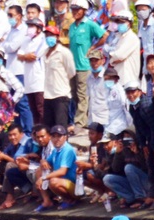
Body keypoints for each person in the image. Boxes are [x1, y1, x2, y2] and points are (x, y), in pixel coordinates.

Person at [68, 0, 107, 133]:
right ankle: (81, 119)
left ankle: (80, 123)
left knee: (82, 94)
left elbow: (104, 35)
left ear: (84, 10)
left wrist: (93, 48)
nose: (75, 12)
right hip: (73, 66)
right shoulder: (72, 26)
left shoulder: (89, 24)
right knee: (74, 95)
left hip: (84, 65)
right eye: (73, 9)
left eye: (77, 9)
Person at [0, 123, 33, 208]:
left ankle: (9, 197)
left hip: (30, 172)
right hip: (18, 172)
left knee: (9, 165)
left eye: (14, 135)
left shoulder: (27, 142)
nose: (12, 137)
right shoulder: (12, 144)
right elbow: (4, 153)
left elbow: (18, 161)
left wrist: (4, 157)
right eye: (10, 135)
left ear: (21, 134)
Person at [34, 124, 78, 211]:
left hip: (74, 186)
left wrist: (43, 178)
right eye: (54, 136)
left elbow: (63, 171)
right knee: (39, 170)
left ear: (65, 137)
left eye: (59, 136)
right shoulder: (56, 150)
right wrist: (43, 161)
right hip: (63, 182)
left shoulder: (68, 150)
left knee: (53, 181)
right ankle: (47, 201)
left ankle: (70, 200)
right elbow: (46, 161)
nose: (56, 139)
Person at [3, 5, 32, 134]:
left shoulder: (24, 30)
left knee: (23, 103)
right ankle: (18, 130)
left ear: (19, 16)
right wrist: (6, 44)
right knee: (13, 104)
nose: (9, 18)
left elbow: (11, 47)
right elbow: (5, 46)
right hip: (10, 70)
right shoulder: (11, 30)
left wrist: (5, 44)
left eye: (11, 15)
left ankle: (28, 131)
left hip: (20, 70)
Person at [43, 25, 76, 129]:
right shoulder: (44, 52)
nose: (49, 37)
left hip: (61, 95)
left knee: (60, 128)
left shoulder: (64, 52)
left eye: (51, 35)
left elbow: (71, 72)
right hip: (47, 95)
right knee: (48, 128)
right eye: (47, 35)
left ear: (57, 37)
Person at [103, 133, 149, 208]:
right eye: (125, 137)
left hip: (146, 182)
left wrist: (137, 153)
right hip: (132, 183)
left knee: (129, 167)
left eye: (129, 137)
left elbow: (147, 168)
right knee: (107, 179)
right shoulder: (124, 151)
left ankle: (141, 198)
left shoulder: (142, 147)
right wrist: (118, 154)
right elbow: (116, 169)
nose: (127, 139)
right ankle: (130, 198)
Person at [18, 18, 48, 128]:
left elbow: (34, 55)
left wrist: (25, 56)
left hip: (39, 79)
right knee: (33, 108)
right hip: (29, 79)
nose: (29, 29)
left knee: (41, 108)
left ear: (39, 29)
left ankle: (44, 129)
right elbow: (19, 55)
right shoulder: (26, 40)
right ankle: (36, 130)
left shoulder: (43, 40)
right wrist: (25, 56)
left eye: (32, 26)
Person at [108, 11, 140, 88]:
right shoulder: (119, 37)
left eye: (122, 22)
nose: (119, 24)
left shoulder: (132, 37)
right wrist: (113, 57)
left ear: (129, 23)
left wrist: (111, 59)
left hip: (128, 79)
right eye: (118, 22)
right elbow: (110, 52)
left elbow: (119, 56)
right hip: (118, 77)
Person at [103, 68, 131, 138]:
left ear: (116, 79)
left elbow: (126, 109)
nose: (107, 81)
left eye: (110, 78)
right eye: (105, 79)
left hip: (119, 127)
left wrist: (129, 128)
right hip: (108, 126)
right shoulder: (106, 90)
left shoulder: (120, 91)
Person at [86, 49, 108, 126]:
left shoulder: (108, 77)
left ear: (102, 60)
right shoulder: (89, 78)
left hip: (105, 118)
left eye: (96, 60)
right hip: (92, 118)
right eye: (91, 60)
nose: (94, 63)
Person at [135, 0, 154, 69]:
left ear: (149, 10)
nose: (141, 12)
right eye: (139, 10)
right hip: (146, 61)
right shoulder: (142, 25)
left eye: (143, 9)